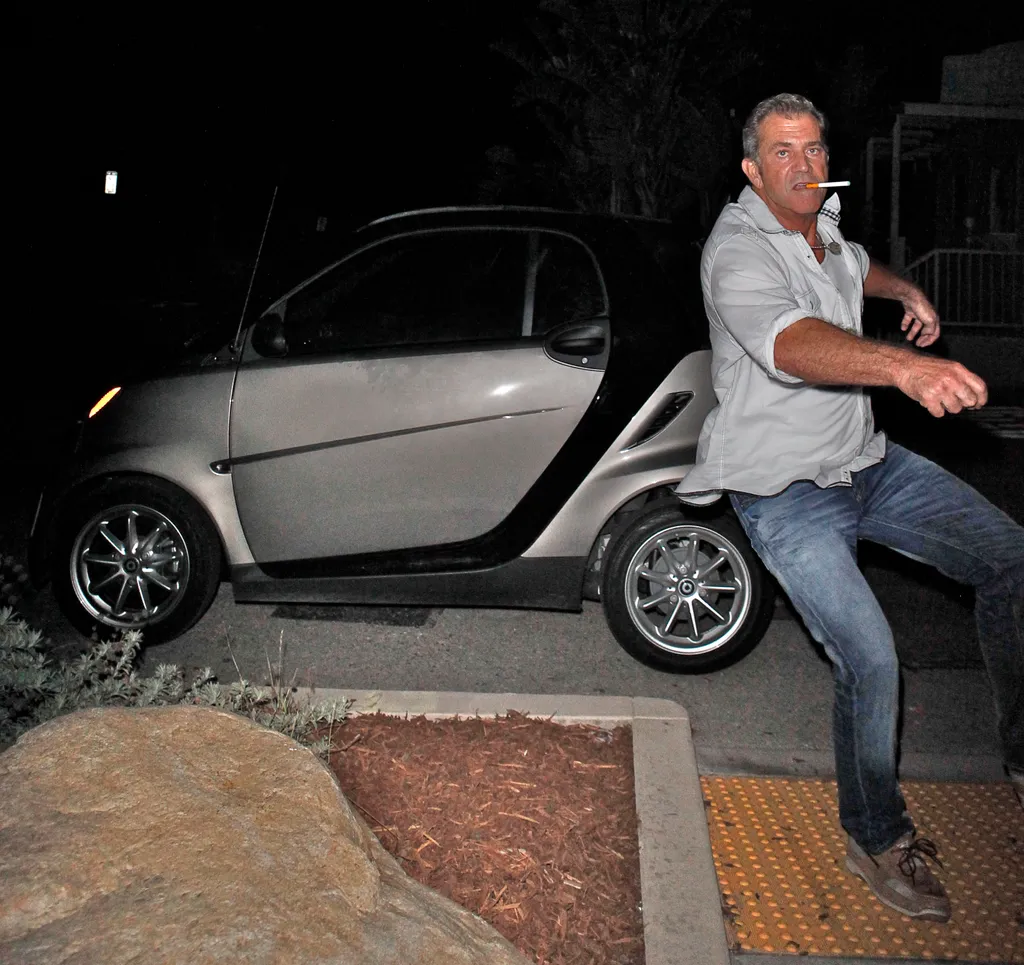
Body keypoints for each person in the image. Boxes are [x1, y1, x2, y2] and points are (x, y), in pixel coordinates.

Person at [676, 92, 1024, 923]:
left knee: (1012, 558)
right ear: (753, 170)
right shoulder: (736, 252)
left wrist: (906, 291)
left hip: (867, 464)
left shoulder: (821, 224)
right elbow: (792, 343)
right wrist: (902, 368)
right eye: (782, 153)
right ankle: (875, 836)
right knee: (871, 659)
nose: (803, 165)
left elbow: (854, 264)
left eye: (814, 149)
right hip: (786, 492)